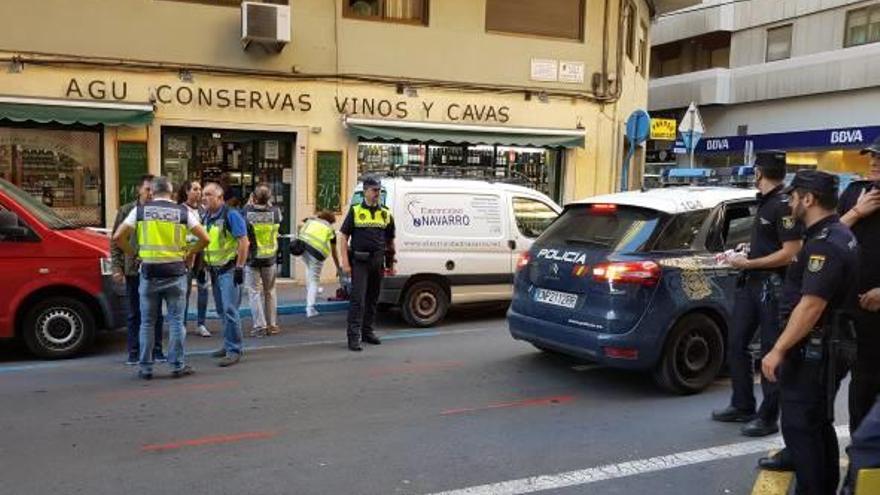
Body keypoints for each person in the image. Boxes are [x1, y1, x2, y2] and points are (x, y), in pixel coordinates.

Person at [760, 170, 859, 495]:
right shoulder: (837, 233)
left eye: (793, 197)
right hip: (826, 344)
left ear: (809, 199)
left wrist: (778, 349)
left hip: (815, 349)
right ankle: (823, 485)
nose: (789, 203)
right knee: (817, 424)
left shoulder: (824, 245)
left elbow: (811, 306)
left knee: (801, 426)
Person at [712, 151, 803, 438]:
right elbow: (771, 245)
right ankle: (742, 405)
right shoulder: (764, 202)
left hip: (772, 289)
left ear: (758, 172)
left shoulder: (784, 204)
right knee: (736, 343)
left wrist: (749, 263)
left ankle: (768, 417)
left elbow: (792, 252)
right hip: (751, 284)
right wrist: (744, 253)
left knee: (769, 352)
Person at [113, 176, 209, 379]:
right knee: (176, 322)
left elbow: (118, 237)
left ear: (152, 192)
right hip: (175, 273)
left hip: (149, 273)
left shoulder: (140, 211)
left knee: (146, 322)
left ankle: (146, 367)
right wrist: (189, 253)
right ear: (172, 193)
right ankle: (177, 365)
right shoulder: (182, 212)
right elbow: (205, 238)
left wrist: (135, 254)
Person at [838, 136, 880, 493]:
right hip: (854, 321)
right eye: (873, 156)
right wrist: (856, 212)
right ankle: (857, 476)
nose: (874, 162)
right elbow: (827, 238)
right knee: (859, 397)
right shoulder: (855, 193)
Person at [110, 174, 166, 365]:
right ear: (139, 190)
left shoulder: (159, 211)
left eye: (153, 190)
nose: (150, 193)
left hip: (155, 269)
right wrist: (117, 267)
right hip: (134, 271)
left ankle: (157, 351)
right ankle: (134, 352)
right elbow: (116, 242)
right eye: (147, 189)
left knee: (157, 313)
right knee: (135, 313)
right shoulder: (127, 211)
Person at [339, 175, 395, 352]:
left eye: (379, 190)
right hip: (360, 262)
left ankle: (368, 332)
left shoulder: (385, 212)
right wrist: (345, 263)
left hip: (377, 262)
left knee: (372, 299)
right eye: (374, 190)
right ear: (365, 191)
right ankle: (353, 337)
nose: (377, 193)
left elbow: (390, 241)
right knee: (358, 300)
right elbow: (343, 237)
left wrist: (391, 264)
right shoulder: (355, 211)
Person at [202, 182, 250, 367]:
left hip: (229, 270)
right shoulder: (207, 216)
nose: (204, 198)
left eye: (209, 195)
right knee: (222, 311)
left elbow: (243, 243)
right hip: (214, 270)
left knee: (230, 310)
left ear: (220, 198)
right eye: (204, 194)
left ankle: (234, 349)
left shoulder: (232, 215)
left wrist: (239, 268)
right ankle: (228, 344)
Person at [243, 184, 282, 338]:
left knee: (254, 292)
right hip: (270, 258)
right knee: (270, 291)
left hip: (253, 258)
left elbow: (242, 223)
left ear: (254, 197)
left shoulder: (247, 212)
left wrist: (249, 203)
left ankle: (260, 325)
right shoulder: (275, 212)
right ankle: (272, 325)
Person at [177, 180, 211, 338]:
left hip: (202, 255)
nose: (199, 192)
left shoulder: (204, 210)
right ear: (187, 191)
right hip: (187, 254)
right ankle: (181, 324)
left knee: (204, 289)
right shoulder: (180, 210)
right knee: (185, 291)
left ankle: (201, 323)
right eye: (195, 189)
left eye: (200, 189)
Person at [299, 210, 340, 318]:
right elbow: (334, 252)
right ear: (330, 221)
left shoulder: (311, 221)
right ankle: (310, 308)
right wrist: (338, 267)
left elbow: (302, 226)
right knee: (314, 280)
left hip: (302, 250)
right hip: (317, 253)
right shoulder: (330, 229)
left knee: (309, 270)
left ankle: (314, 291)